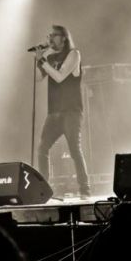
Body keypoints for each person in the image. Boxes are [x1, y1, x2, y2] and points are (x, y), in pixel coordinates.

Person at [34, 24, 90, 198]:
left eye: (54, 35)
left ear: (64, 38)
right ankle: (44, 190)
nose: (50, 38)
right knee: (42, 148)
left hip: (71, 111)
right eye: (49, 35)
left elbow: (59, 77)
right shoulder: (50, 58)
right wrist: (40, 59)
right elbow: (38, 78)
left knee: (74, 149)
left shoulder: (74, 54)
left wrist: (43, 61)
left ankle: (85, 189)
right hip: (54, 112)